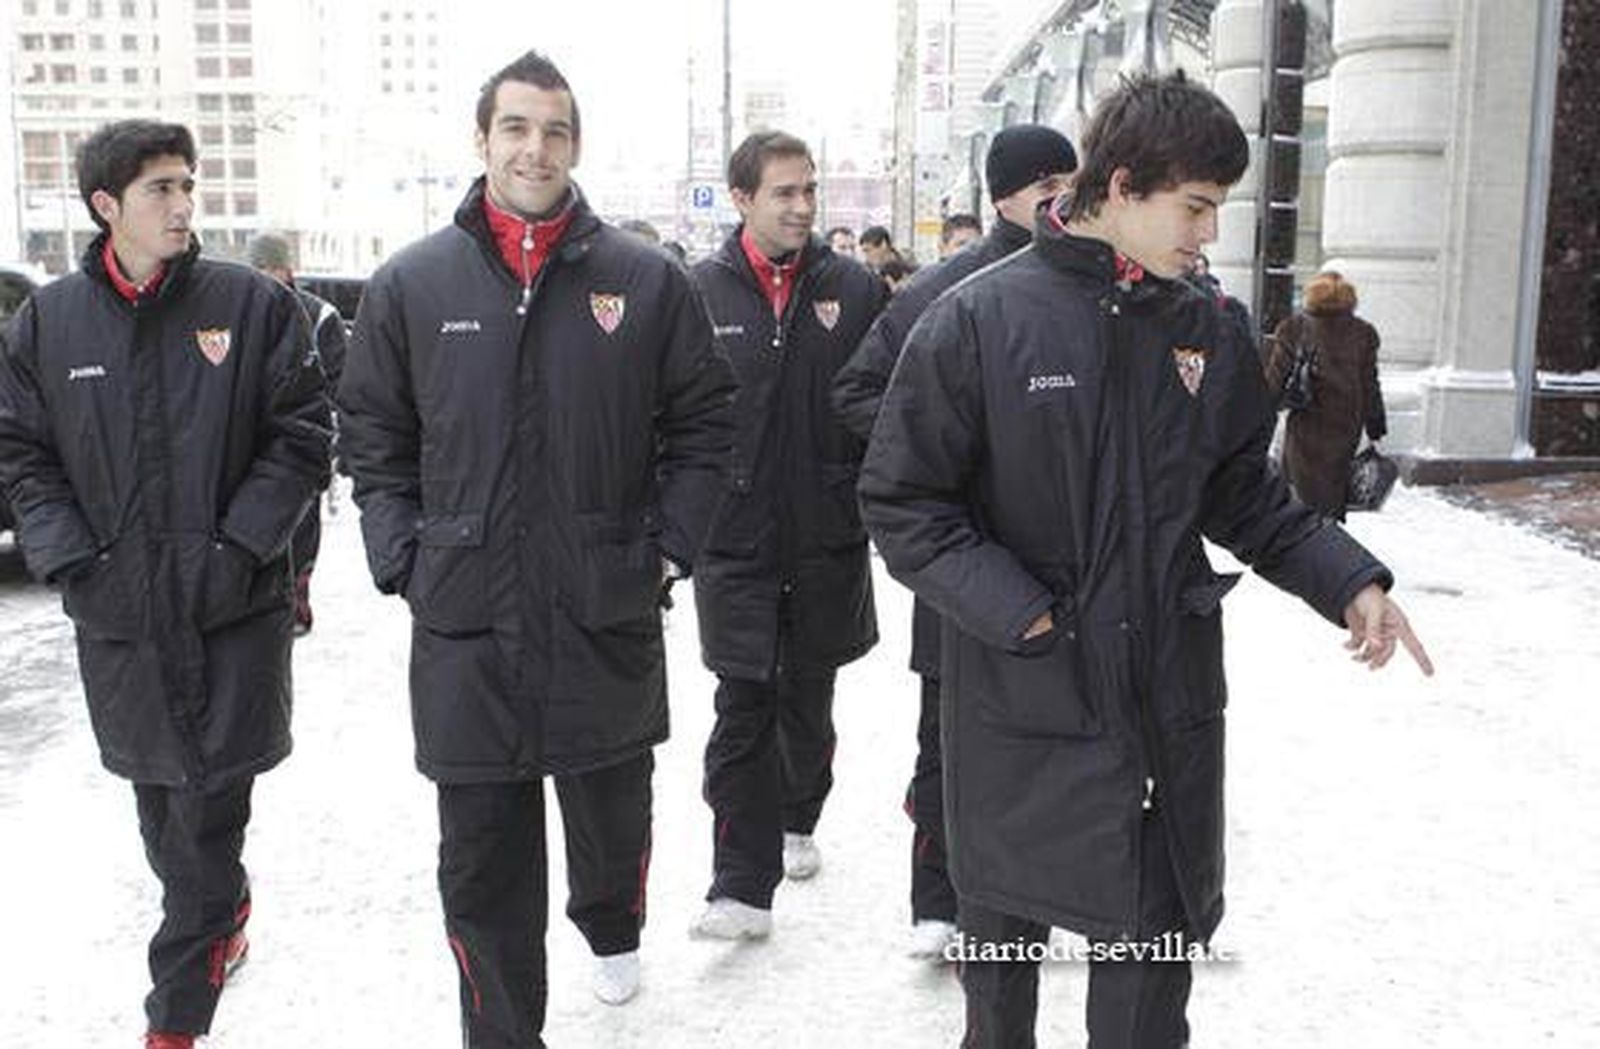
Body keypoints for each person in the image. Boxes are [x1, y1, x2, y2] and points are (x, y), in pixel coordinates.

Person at [857, 72, 1433, 1048]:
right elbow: (903, 498)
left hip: (1162, 711)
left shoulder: (1203, 327)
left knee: (1149, 995)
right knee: (999, 1005)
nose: (1207, 233)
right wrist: (1019, 610)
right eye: (1196, 207)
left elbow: (1241, 494)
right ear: (1120, 186)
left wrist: (1351, 578)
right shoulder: (978, 319)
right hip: (1018, 709)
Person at [338, 50, 735, 1043]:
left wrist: (666, 550)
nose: (535, 148)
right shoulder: (411, 284)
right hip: (466, 622)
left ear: (577, 145)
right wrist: (405, 556)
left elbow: (705, 427)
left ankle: (612, 921)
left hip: (602, 609)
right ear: (482, 141)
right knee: (480, 862)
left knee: (610, 827)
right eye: (515, 127)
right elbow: (372, 438)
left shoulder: (643, 281)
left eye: (554, 130)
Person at [0, 120, 330, 1049]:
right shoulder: (49, 324)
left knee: (208, 821)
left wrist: (238, 551)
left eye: (187, 184)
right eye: (160, 190)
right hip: (124, 623)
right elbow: (22, 453)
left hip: (230, 614)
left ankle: (173, 1022)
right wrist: (76, 563)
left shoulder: (252, 306)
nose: (184, 205)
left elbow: (304, 432)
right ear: (107, 206)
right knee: (162, 813)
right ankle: (222, 913)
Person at [832, 121, 1077, 961]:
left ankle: (1045, 897)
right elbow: (858, 391)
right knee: (952, 744)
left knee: (1061, 748)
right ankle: (936, 900)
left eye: (1068, 177)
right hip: (964, 563)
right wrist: (946, 451)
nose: (1058, 192)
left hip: (1068, 570)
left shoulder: (1091, 280)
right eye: (1041, 180)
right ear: (1001, 192)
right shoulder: (946, 289)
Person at [685, 129, 887, 940]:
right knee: (743, 704)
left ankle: (801, 809)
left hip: (825, 534)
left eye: (809, 191)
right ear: (741, 198)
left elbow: (889, 406)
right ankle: (739, 883)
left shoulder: (856, 291)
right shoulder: (697, 291)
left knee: (808, 699)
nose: (803, 206)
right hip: (733, 542)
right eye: (783, 192)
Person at [245, 231, 349, 635]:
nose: (263, 276)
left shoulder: (318, 315)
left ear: (287, 269)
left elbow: (342, 383)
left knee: (300, 523)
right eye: (256, 267)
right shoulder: (237, 311)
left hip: (303, 439)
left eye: (269, 267)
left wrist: (335, 436)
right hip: (251, 445)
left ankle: (296, 596)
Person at [1266, 270, 1387, 520]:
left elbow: (1275, 380)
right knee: (1333, 486)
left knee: (1302, 489)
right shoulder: (1363, 333)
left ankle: (1304, 538)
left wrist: (1260, 415)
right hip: (1345, 424)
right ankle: (1330, 535)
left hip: (1306, 421)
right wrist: (1375, 425)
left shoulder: (1293, 328)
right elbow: (1370, 383)